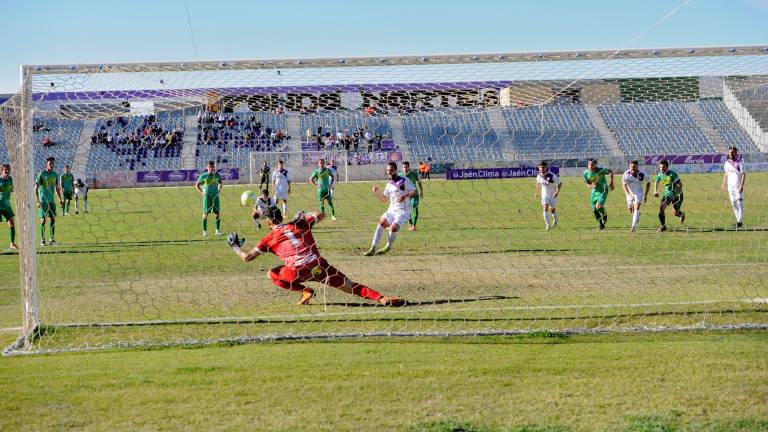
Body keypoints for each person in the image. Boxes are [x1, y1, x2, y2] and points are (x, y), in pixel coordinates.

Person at [228, 207, 405, 307]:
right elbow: (321, 214)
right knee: (350, 286)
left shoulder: (269, 238)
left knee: (271, 274)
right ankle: (381, 299)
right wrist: (304, 214)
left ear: (269, 223)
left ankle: (304, 290)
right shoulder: (300, 223)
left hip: (296, 272)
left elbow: (247, 257)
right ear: (282, 216)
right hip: (318, 266)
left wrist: (235, 247)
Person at [364, 162, 416, 256]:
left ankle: (388, 246)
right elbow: (384, 199)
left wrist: (405, 196)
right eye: (387, 170)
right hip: (392, 209)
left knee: (393, 228)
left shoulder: (403, 180)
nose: (389, 172)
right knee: (382, 222)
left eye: (391, 170)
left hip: (403, 210)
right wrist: (376, 193)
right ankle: (373, 248)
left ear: (396, 170)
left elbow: (415, 191)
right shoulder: (389, 184)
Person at [35, 157, 63, 246]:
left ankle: (51, 239)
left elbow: (57, 188)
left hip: (51, 200)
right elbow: (35, 188)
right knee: (43, 220)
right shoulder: (41, 174)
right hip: (43, 200)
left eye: (53, 163)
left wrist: (59, 199)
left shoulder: (55, 175)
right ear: (46, 163)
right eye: (50, 163)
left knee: (53, 219)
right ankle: (42, 240)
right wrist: (37, 201)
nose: (51, 165)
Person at [654, 159, 686, 233]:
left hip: (677, 195)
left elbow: (681, 185)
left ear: (667, 167)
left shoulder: (673, 174)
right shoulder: (660, 175)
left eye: (663, 167)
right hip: (667, 195)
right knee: (661, 209)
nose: (662, 169)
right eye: (660, 167)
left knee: (675, 212)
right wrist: (655, 191)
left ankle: (681, 214)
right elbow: (656, 181)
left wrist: (674, 184)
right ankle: (663, 227)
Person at [583, 159, 614, 230]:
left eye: (592, 164)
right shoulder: (585, 173)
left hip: (603, 190)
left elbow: (610, 171)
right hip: (594, 192)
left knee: (598, 206)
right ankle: (601, 224)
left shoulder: (601, 170)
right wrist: (590, 186)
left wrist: (611, 182)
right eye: (589, 164)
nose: (590, 166)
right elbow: (587, 182)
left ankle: (604, 214)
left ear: (595, 165)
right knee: (594, 209)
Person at [195, 160, 223, 237]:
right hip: (207, 197)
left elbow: (220, 183)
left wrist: (219, 190)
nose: (210, 168)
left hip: (216, 196)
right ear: (207, 167)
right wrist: (202, 192)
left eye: (212, 167)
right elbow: (196, 185)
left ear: (214, 167)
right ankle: (204, 231)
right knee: (205, 214)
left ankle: (217, 231)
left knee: (217, 213)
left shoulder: (217, 175)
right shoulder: (203, 176)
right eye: (209, 167)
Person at [621, 160, 651, 232]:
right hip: (630, 193)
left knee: (636, 208)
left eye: (634, 166)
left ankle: (633, 226)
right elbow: (624, 184)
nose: (632, 168)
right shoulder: (626, 174)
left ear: (637, 166)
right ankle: (638, 215)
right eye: (631, 166)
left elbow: (648, 183)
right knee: (631, 210)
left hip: (638, 192)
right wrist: (627, 194)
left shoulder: (642, 173)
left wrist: (646, 195)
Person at [721, 146, 745, 229]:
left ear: (736, 153)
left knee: (739, 203)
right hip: (730, 187)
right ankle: (739, 222)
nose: (730, 153)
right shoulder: (726, 163)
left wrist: (742, 185)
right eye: (729, 152)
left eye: (732, 152)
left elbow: (743, 174)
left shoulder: (739, 162)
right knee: (734, 204)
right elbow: (726, 174)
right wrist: (723, 184)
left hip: (738, 186)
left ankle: (739, 222)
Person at [535, 161, 561, 230]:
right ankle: (548, 225)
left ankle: (555, 220)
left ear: (546, 167)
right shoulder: (539, 176)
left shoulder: (552, 175)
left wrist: (557, 192)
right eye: (540, 167)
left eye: (543, 167)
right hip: (544, 195)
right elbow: (538, 182)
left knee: (553, 210)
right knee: (545, 208)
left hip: (552, 195)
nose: (541, 169)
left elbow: (559, 183)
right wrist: (537, 192)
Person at [401, 161, 424, 231]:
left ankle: (414, 226)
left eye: (406, 167)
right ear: (402, 168)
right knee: (407, 211)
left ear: (409, 167)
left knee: (414, 208)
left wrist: (421, 192)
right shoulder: (400, 175)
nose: (405, 168)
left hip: (414, 194)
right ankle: (411, 225)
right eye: (404, 167)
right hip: (406, 196)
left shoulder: (414, 174)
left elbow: (419, 182)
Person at [0, 164, 18, 250]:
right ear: (1, 171)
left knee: (12, 223)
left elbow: (13, 189)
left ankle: (12, 243)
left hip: (7, 206)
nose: (7, 171)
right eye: (5, 169)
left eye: (8, 169)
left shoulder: (11, 180)